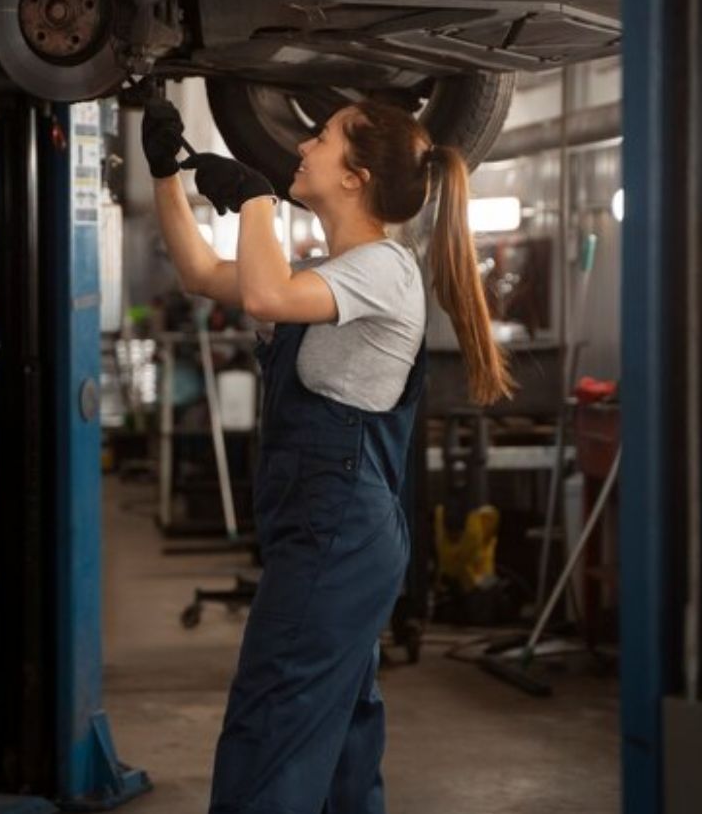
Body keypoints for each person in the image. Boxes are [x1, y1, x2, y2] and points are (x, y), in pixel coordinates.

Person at [141, 94, 512, 814]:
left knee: (274, 717)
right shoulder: (334, 272)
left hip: (336, 529)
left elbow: (263, 293)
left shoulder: (382, 269)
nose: (303, 145)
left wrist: (253, 200)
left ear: (355, 178)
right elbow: (200, 273)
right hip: (324, 528)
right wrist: (164, 176)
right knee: (337, 728)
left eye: (323, 137)